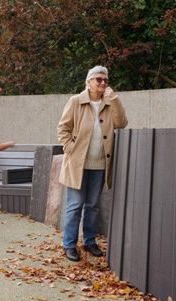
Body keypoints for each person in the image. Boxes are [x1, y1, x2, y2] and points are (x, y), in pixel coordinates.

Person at [57, 65, 128, 262]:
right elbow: (63, 128)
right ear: (88, 82)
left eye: (105, 80)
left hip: (99, 165)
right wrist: (70, 149)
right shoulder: (76, 101)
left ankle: (89, 241)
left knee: (93, 205)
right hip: (77, 164)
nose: (103, 83)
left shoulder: (109, 102)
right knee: (75, 205)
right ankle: (69, 244)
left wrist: (114, 99)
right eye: (99, 79)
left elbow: (122, 123)